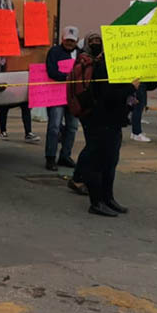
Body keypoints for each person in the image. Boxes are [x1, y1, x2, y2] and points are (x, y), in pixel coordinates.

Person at [80, 50, 139, 217]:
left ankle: (108, 198)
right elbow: (108, 95)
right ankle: (96, 202)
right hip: (102, 123)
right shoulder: (103, 68)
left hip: (114, 123)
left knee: (110, 163)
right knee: (99, 163)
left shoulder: (117, 67)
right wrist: (130, 87)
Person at [68, 31, 105, 196]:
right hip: (87, 108)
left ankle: (87, 177)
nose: (96, 43)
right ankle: (77, 178)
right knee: (92, 146)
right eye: (93, 41)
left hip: (97, 108)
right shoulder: (84, 60)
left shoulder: (101, 61)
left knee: (96, 145)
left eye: (99, 40)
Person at [44, 26, 82, 170]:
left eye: (72, 41)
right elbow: (51, 71)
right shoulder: (54, 52)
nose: (69, 43)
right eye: (67, 40)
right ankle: (50, 157)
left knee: (72, 127)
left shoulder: (80, 54)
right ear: (62, 39)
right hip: (57, 96)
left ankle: (65, 156)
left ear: (76, 41)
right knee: (54, 126)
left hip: (74, 96)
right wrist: (67, 77)